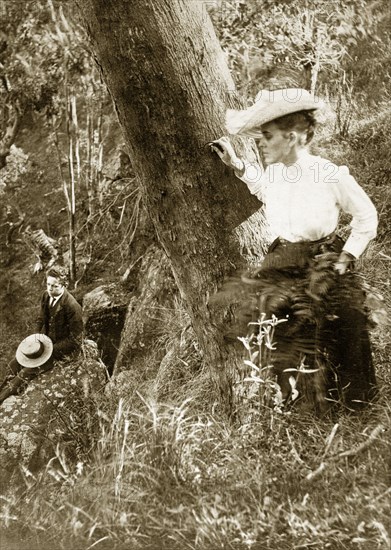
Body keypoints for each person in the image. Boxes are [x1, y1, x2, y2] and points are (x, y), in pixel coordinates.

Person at [211, 88, 378, 411]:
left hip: (324, 258)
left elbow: (366, 215)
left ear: (292, 137)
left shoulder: (327, 173)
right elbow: (263, 190)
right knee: (281, 332)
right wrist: (238, 165)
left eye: (268, 136)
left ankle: (357, 405)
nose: (261, 142)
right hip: (283, 259)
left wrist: (345, 258)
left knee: (345, 324)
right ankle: (301, 406)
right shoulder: (275, 172)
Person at [0, 265, 83, 404]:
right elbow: (40, 319)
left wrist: (51, 350)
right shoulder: (46, 296)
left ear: (64, 285)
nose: (50, 289)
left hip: (62, 351)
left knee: (25, 373)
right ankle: (1, 389)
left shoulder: (72, 307)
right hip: (45, 345)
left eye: (55, 286)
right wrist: (36, 338)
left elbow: (76, 340)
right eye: (48, 284)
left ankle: (2, 399)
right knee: (14, 363)